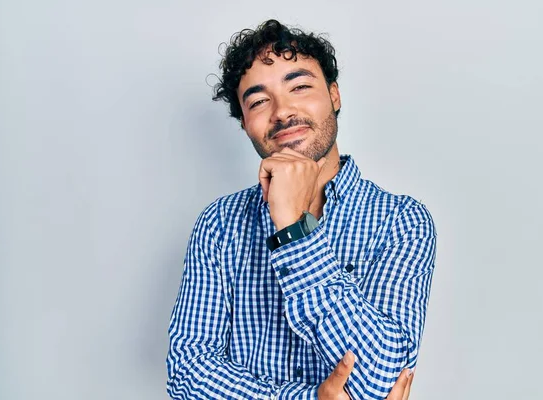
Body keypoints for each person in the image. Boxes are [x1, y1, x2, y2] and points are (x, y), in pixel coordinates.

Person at [166, 19, 436, 400]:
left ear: (334, 95)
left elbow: (379, 379)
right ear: (244, 123)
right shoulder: (219, 224)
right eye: (258, 101)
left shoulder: (402, 222)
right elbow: (188, 375)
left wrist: (294, 227)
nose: (282, 111)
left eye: (300, 86)